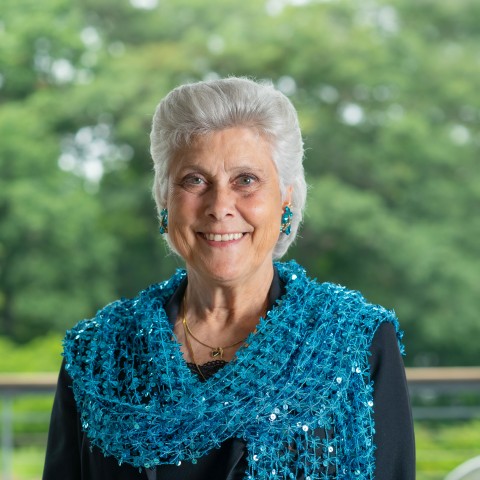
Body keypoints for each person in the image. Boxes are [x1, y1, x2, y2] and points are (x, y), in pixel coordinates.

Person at [43, 77, 415, 480]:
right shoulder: (97, 352)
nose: (220, 206)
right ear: (164, 199)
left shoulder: (357, 340)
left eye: (246, 181)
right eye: (194, 180)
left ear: (285, 198)